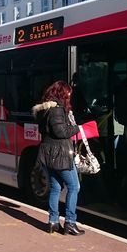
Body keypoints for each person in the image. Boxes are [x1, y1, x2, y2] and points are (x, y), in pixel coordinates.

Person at [32, 80, 85, 236]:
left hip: (49, 155)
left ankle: (53, 222)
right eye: (68, 93)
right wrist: (78, 128)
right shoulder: (57, 110)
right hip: (60, 155)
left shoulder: (45, 109)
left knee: (55, 187)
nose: (70, 95)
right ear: (62, 93)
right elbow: (60, 132)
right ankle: (70, 222)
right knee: (74, 187)